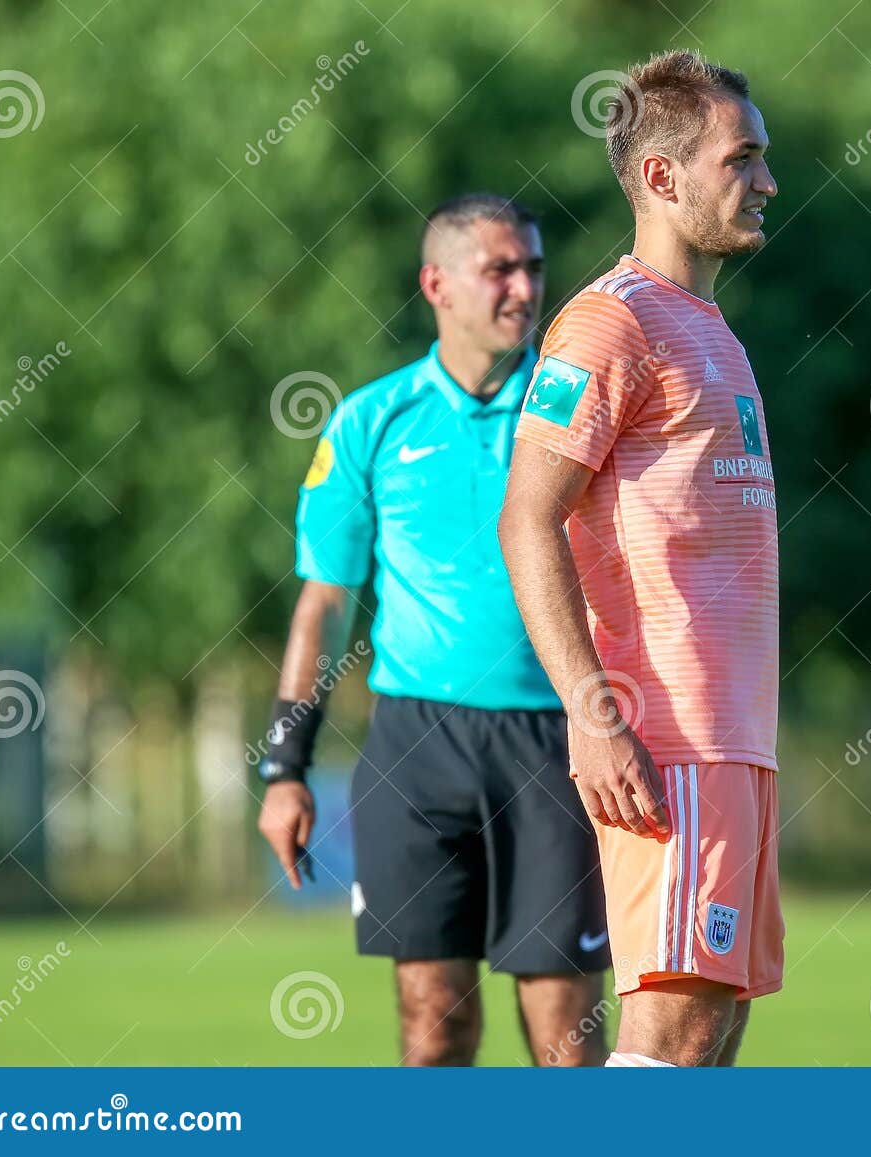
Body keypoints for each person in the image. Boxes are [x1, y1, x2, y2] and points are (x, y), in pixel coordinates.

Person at [255, 193, 609, 1067]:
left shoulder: (582, 409)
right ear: (437, 284)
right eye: (500, 268)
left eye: (532, 265)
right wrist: (284, 767)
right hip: (416, 745)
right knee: (432, 1026)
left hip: (559, 741)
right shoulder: (371, 422)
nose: (525, 286)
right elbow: (323, 608)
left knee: (568, 1035)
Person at [499, 50, 782, 1068]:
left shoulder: (709, 329)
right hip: (666, 737)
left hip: (734, 738)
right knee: (669, 1030)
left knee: (709, 1027)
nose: (766, 181)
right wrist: (591, 707)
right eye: (740, 158)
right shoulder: (607, 321)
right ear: (663, 177)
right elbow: (526, 517)